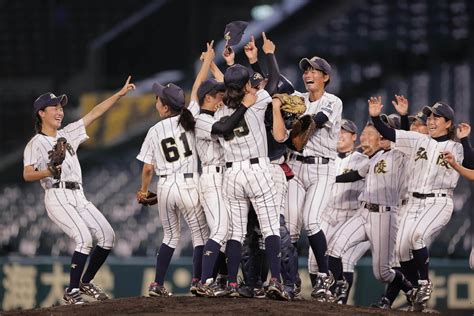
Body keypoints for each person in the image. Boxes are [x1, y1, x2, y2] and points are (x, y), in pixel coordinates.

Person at [23, 77, 136, 304]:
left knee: (107, 236)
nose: (59, 110)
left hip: (78, 195)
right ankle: (72, 290)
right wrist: (47, 172)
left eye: (61, 107)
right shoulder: (36, 142)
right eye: (54, 107)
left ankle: (85, 282)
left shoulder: (68, 134)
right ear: (41, 113)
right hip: (57, 194)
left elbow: (95, 113)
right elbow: (27, 174)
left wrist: (119, 94)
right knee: (84, 238)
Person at [368, 97, 474, 311]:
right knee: (399, 250)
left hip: (438, 201)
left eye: (437, 117)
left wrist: (464, 140)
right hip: (413, 201)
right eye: (430, 117)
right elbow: (390, 133)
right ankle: (417, 289)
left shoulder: (456, 146)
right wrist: (374, 117)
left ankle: (424, 283)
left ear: (448, 123)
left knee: (417, 237)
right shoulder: (417, 140)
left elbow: (471, 168)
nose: (432, 120)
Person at [272, 55, 343, 301]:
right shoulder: (298, 99)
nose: (308, 74)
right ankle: (290, 282)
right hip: (295, 168)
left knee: (312, 221)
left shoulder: (333, 101)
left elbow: (315, 121)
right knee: (289, 230)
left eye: (314, 71)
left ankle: (324, 277)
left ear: (326, 77)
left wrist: (292, 125)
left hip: (321, 170)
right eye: (306, 70)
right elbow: (273, 91)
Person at [214, 62, 286, 300]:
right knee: (270, 228)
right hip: (258, 170)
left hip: (232, 174)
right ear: (247, 85)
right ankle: (275, 280)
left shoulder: (220, 112)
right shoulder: (258, 100)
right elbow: (274, 80)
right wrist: (269, 54)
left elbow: (222, 126)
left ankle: (233, 283)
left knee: (236, 232)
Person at [326, 120, 413, 307]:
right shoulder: (375, 157)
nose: (379, 136)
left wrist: (400, 118)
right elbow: (356, 175)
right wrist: (331, 179)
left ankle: (407, 286)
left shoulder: (401, 154)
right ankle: (339, 286)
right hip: (362, 212)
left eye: (381, 133)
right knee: (334, 248)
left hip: (384, 216)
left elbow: (403, 134)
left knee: (382, 273)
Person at [137, 81, 209, 297]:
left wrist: (143, 191)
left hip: (165, 185)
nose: (156, 101)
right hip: (188, 184)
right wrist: (206, 62)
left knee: (170, 236)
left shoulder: (154, 130)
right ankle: (197, 281)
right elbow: (196, 89)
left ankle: (157, 284)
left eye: (158, 99)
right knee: (200, 236)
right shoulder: (191, 117)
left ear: (166, 106)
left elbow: (148, 168)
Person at [307, 119, 370, 304]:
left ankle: (340, 303)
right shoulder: (327, 158)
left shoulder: (363, 160)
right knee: (313, 261)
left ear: (354, 137)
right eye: (338, 131)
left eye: (345, 132)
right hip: (327, 213)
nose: (340, 135)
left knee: (343, 259)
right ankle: (323, 297)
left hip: (350, 214)